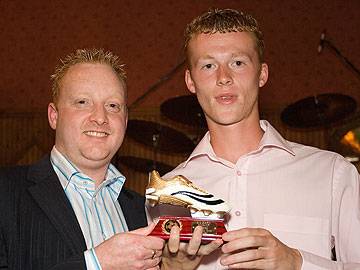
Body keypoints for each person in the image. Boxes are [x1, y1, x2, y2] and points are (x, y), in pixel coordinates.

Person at [159, 8, 360, 270]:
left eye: (238, 63)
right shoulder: (168, 193)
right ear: (191, 81)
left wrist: (298, 263)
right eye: (208, 66)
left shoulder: (332, 172)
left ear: (262, 74)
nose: (224, 78)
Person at [0, 48, 164, 270]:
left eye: (112, 106)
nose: (100, 117)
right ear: (54, 116)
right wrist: (95, 263)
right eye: (82, 102)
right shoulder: (6, 192)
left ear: (125, 120)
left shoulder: (142, 210)